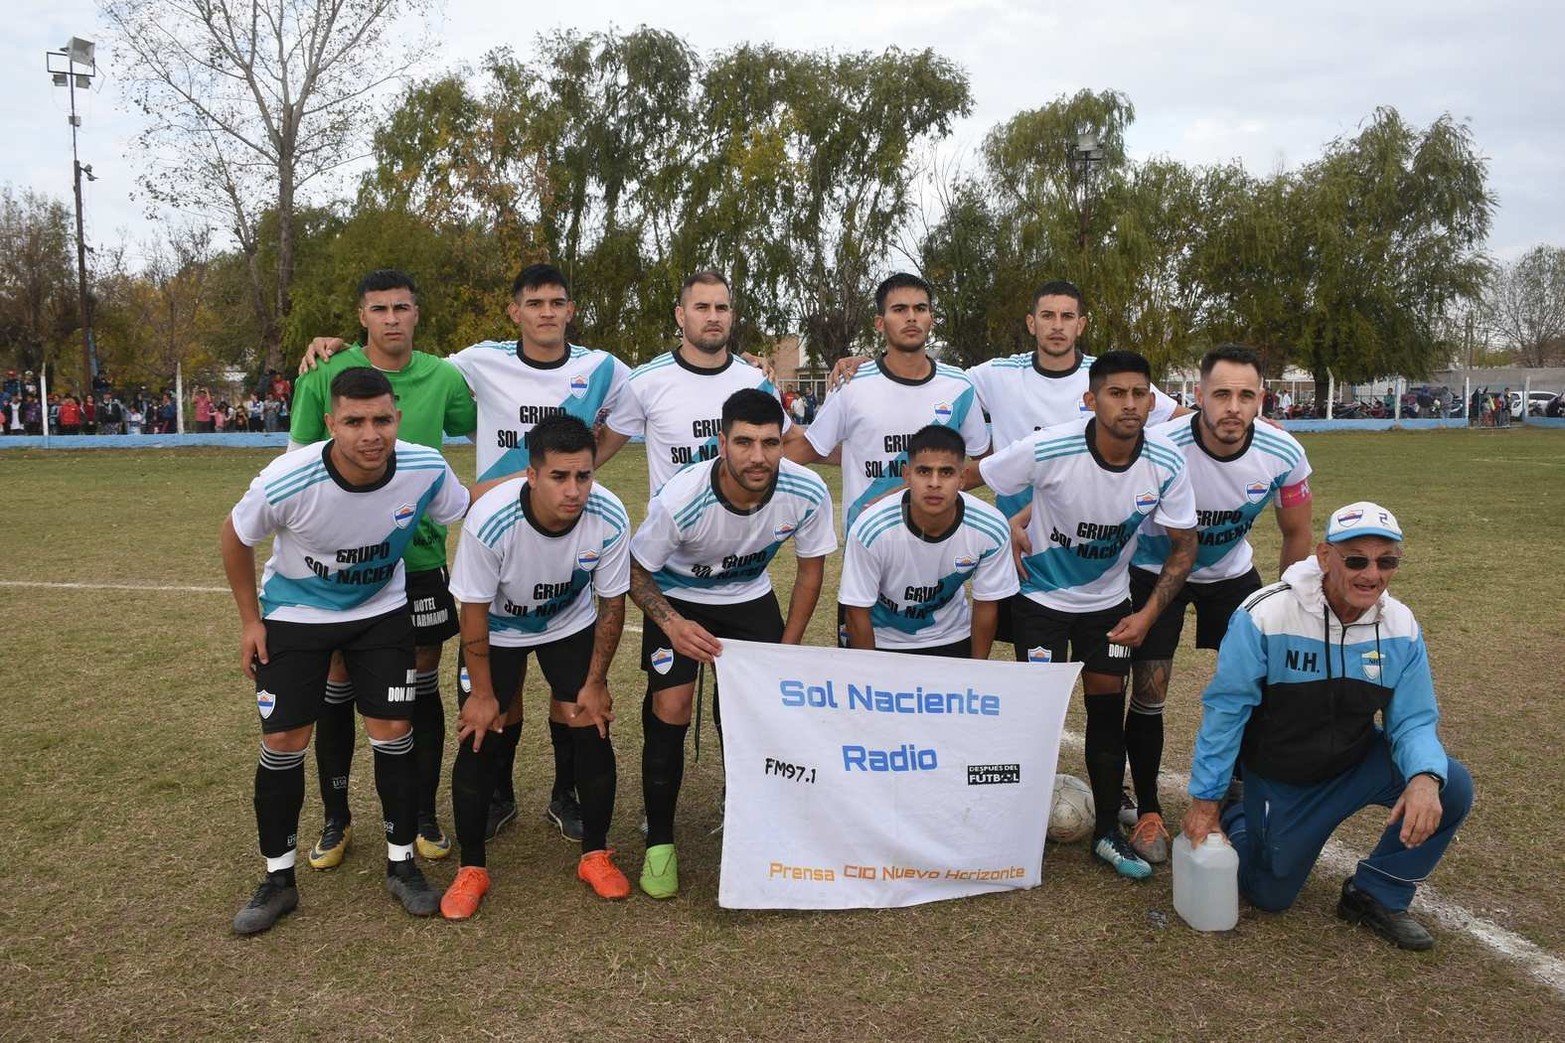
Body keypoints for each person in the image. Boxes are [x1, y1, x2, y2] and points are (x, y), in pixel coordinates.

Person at [301, 263, 631, 845]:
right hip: (496, 537)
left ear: (571, 309)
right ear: (516, 311)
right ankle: (497, 793)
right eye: (535, 302)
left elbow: (644, 404)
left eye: (557, 301)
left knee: (564, 682)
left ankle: (564, 794)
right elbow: (397, 359)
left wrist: (576, 476)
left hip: (561, 537)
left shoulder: (603, 368)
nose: (547, 312)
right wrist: (333, 347)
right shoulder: (474, 363)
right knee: (499, 689)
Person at [219, 367, 472, 934]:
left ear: (397, 419)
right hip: (295, 615)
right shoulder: (287, 479)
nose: (370, 434)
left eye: (381, 419)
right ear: (330, 424)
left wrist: (530, 485)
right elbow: (235, 536)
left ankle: (402, 863)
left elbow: (464, 508)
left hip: (381, 611)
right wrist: (248, 622)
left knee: (392, 728)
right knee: (285, 737)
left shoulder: (425, 467)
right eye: (354, 421)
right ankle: (278, 879)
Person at [1181, 502, 1474, 950]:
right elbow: (1226, 711)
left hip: (1356, 763)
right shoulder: (1265, 615)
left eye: (1386, 561)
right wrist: (1207, 800)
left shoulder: (1400, 626)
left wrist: (1423, 777)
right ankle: (1240, 808)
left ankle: (1376, 893)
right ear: (1324, 557)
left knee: (1450, 783)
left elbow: (1413, 720)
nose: (1371, 574)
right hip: (1284, 778)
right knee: (1268, 895)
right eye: (1356, 559)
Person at [979, 350, 1198, 880]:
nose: (1129, 404)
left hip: (1110, 609)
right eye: (1116, 393)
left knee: (1106, 713)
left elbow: (1184, 547)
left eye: (1139, 393)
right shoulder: (1049, 446)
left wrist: (1146, 616)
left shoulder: (1166, 462)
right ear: (1090, 399)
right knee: (1038, 717)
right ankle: (1015, 830)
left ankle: (1105, 832)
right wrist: (1006, 523)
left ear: (1151, 400)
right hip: (1040, 604)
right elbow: (985, 477)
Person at [288, 269, 478, 870]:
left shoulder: (444, 376)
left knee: (420, 679)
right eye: (379, 308)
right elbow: (298, 463)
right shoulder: (323, 374)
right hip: (343, 563)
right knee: (337, 682)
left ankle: (422, 811)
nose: (391, 318)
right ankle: (336, 818)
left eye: (402, 307)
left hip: (417, 557)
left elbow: (492, 430)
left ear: (416, 313)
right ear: (361, 316)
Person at [628, 388, 836, 898]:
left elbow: (811, 573)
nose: (758, 456)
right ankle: (659, 840)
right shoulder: (682, 499)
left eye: (770, 442)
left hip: (747, 597)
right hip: (678, 597)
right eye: (744, 442)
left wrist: (783, 649)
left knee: (753, 712)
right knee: (672, 705)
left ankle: (751, 819)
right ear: (722, 443)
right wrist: (673, 624)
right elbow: (633, 571)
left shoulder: (806, 491)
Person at [1119, 345, 1314, 863]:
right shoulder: (1159, 446)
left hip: (1232, 576)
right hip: (1157, 574)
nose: (1233, 406)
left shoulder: (1283, 451)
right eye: (1222, 394)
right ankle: (1150, 812)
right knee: (1150, 690)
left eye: (1245, 395)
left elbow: (1297, 533)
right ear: (1199, 396)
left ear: (1261, 400)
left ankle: (1236, 792)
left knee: (1255, 685)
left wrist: (1287, 599)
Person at [442, 415, 633, 916]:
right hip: (500, 629)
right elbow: (474, 612)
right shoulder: (490, 521)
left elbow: (613, 604)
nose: (574, 491)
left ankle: (595, 852)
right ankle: (471, 867)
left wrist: (596, 683)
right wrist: (483, 696)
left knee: (592, 723)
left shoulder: (609, 516)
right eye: (559, 477)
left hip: (568, 623)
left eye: (584, 476)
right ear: (532, 475)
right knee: (480, 732)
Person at [787, 273, 990, 647]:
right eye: (899, 310)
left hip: (939, 556)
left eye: (920, 309)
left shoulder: (959, 386)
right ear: (880, 323)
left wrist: (910, 489)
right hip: (868, 560)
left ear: (931, 318)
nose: (911, 317)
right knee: (864, 694)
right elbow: (809, 447)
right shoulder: (852, 385)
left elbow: (979, 465)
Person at [596, 270, 797, 495]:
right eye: (702, 307)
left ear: (731, 315)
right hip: (675, 527)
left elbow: (798, 442)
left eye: (721, 308)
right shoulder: (645, 381)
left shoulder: (757, 380)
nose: (713, 317)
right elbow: (594, 454)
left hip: (745, 526)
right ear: (681, 316)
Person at [840, 424, 1018, 658]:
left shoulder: (991, 527)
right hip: (882, 638)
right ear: (907, 476)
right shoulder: (871, 528)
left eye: (946, 472)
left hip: (951, 635)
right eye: (924, 471)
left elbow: (986, 605)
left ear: (962, 478)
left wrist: (978, 671)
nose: (934, 483)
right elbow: (856, 612)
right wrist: (871, 673)